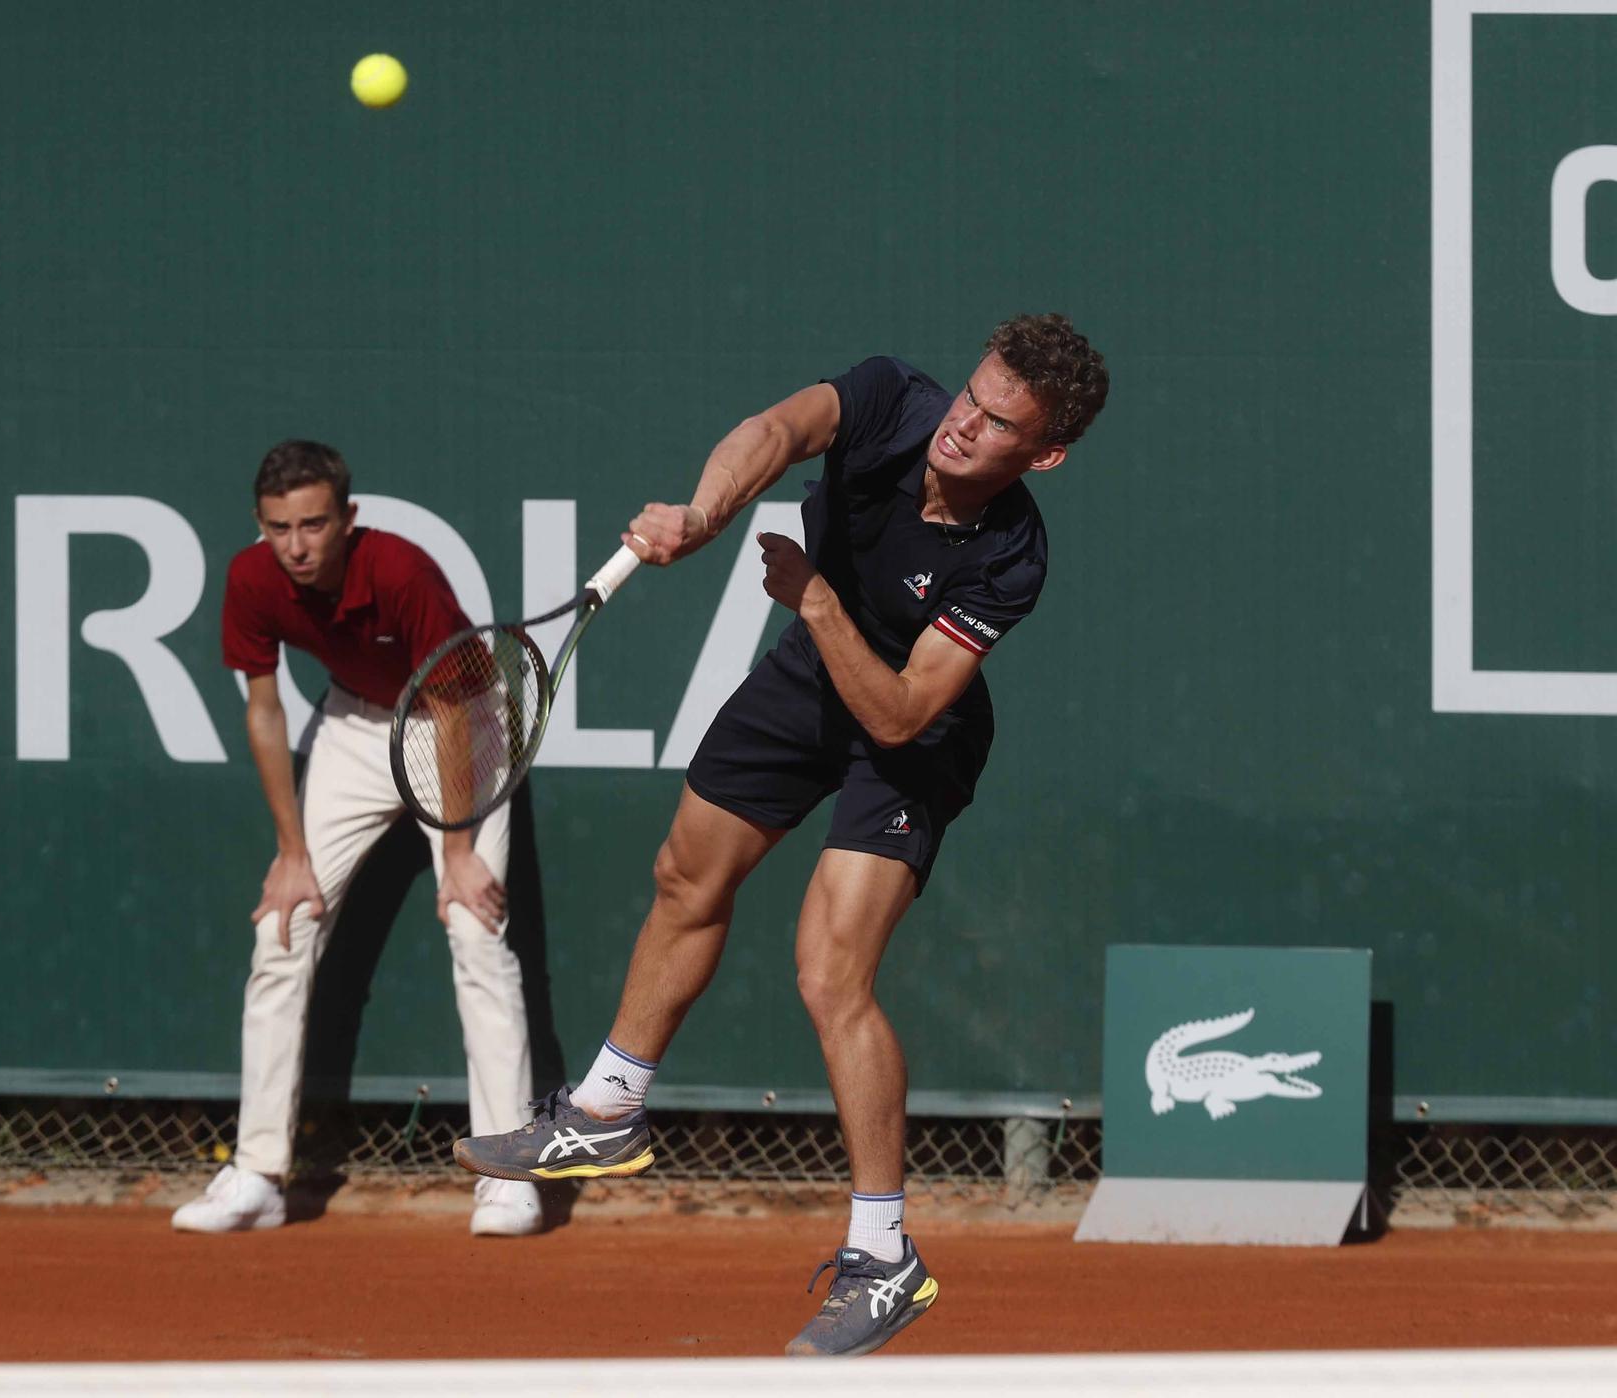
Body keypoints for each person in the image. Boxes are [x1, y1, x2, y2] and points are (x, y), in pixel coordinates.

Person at [454, 315, 1110, 1350]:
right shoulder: (894, 396)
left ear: (1044, 453)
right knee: (686, 875)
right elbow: (772, 430)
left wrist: (808, 599)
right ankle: (605, 1110)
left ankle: (885, 1257)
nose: (961, 426)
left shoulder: (1009, 556)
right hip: (808, 684)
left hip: (908, 735)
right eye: (970, 399)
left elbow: (899, 712)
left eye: (996, 425)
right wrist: (706, 514)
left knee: (828, 972)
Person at [174, 440, 542, 1238]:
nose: (297, 547)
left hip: (462, 725)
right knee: (286, 924)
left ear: (347, 518)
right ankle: (260, 1175)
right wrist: (291, 853)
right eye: (279, 528)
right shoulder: (252, 580)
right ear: (259, 525)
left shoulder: (403, 573)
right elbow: (265, 712)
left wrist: (455, 855)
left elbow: (449, 711)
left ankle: (509, 1175)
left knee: (475, 929)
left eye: (313, 525)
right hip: (351, 725)